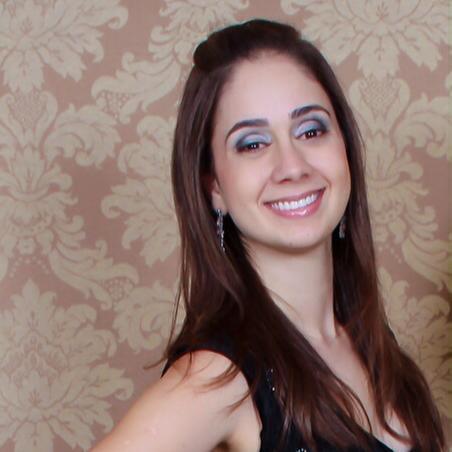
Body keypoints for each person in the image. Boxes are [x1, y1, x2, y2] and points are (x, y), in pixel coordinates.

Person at [93, 19, 445, 452]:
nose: (292, 166)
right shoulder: (219, 375)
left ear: (345, 147)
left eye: (311, 130)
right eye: (253, 144)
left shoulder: (368, 340)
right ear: (214, 186)